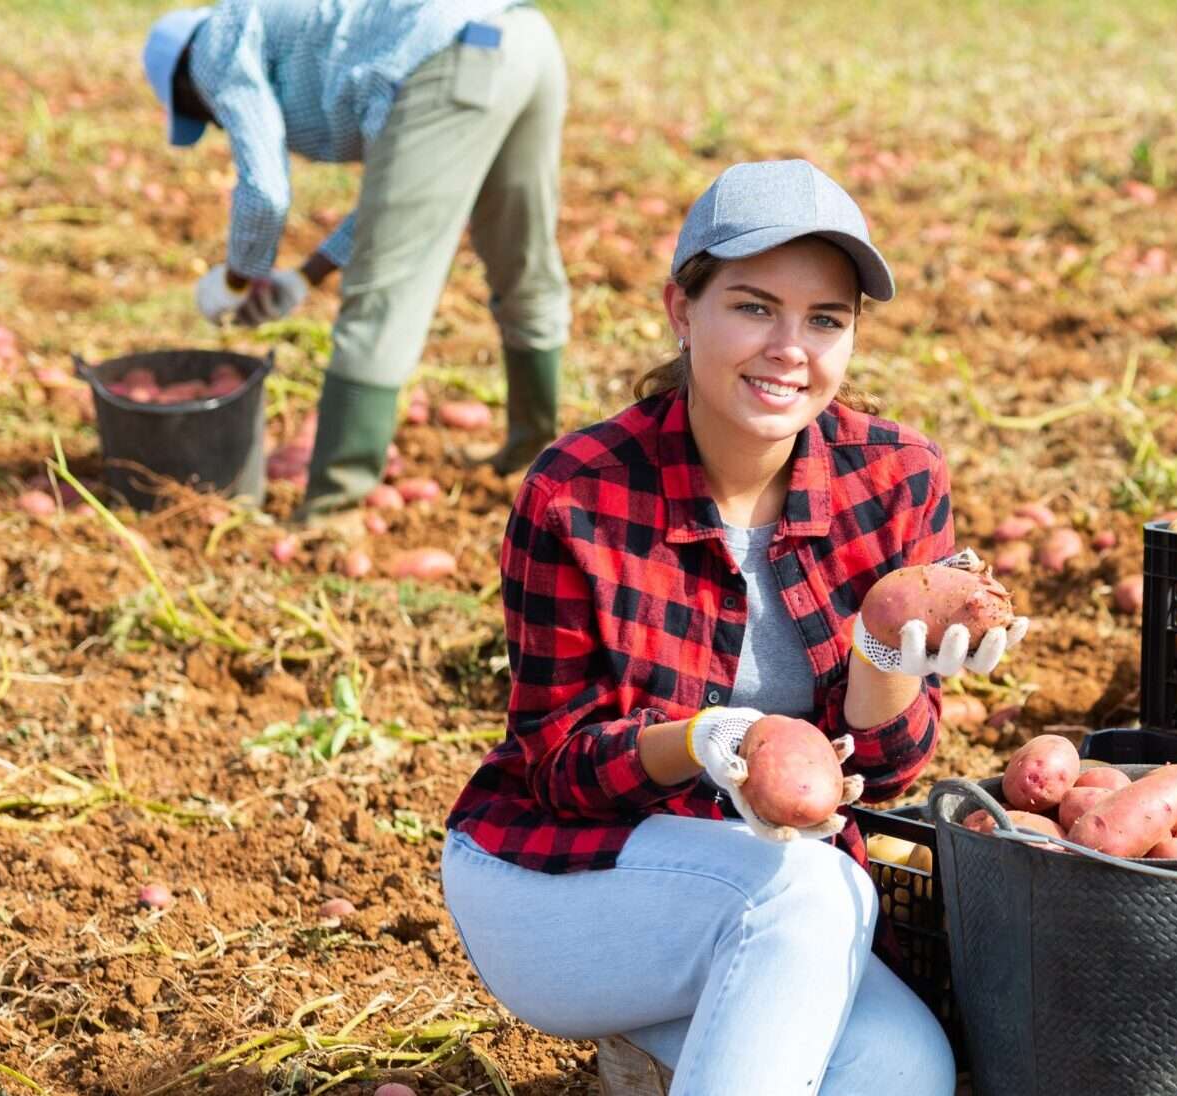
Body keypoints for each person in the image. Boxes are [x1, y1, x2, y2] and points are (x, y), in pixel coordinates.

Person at [441, 159, 1024, 1094]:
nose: (791, 348)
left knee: (902, 1072)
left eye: (825, 320)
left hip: (763, 901)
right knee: (815, 889)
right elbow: (558, 767)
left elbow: (894, 765)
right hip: (559, 882)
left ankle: (654, 1062)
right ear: (682, 310)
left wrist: (883, 654)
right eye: (754, 307)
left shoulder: (898, 477)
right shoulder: (577, 493)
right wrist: (711, 742)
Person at [139, 1, 572, 519]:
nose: (213, 119)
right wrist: (303, 278)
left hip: (451, 58)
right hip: (525, 40)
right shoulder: (323, 38)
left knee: (380, 297)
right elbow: (390, 195)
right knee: (522, 262)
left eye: (201, 112)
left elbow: (266, 194)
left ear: (186, 84)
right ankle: (534, 451)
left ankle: (333, 507)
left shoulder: (214, 48)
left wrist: (235, 280)